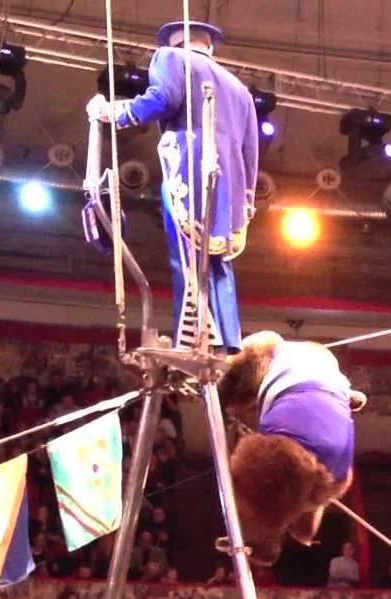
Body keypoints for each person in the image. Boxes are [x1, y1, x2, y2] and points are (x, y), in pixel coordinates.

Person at [87, 19, 258, 351]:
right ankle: (228, 336)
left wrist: (113, 112)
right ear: (208, 45)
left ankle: (193, 335)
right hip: (232, 186)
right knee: (219, 259)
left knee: (187, 255)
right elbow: (251, 151)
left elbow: (162, 98)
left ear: (175, 41)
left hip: (190, 165)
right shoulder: (240, 88)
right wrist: (247, 199)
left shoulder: (170, 58)